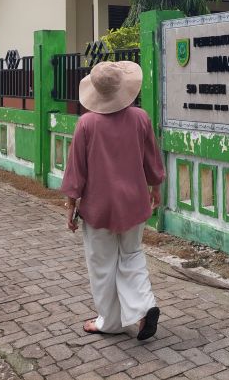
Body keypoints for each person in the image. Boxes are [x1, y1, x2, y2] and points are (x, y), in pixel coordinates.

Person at [60, 61, 165, 340]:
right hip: (133, 202)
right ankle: (144, 308)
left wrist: (71, 206)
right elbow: (151, 160)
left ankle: (110, 322)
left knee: (103, 264)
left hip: (99, 207)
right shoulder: (140, 117)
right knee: (131, 256)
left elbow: (76, 171)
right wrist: (156, 188)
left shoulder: (86, 124)